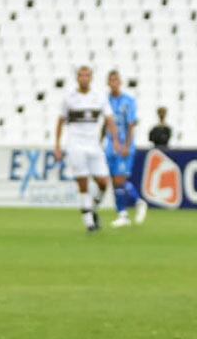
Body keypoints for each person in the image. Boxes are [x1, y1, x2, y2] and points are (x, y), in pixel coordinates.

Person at [54, 65, 118, 232]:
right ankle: (89, 222)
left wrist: (116, 140)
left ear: (91, 78)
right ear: (77, 78)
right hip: (75, 144)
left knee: (103, 183)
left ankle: (92, 208)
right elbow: (60, 121)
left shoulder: (99, 97)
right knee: (82, 182)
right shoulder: (69, 98)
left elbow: (110, 119)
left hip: (94, 144)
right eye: (81, 75)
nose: (84, 78)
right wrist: (57, 145)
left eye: (87, 75)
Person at [103, 71, 148, 228]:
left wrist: (127, 145)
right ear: (108, 83)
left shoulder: (128, 101)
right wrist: (100, 140)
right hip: (110, 146)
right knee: (115, 182)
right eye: (111, 80)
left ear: (120, 82)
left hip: (123, 145)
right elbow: (105, 123)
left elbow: (131, 124)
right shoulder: (106, 101)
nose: (114, 82)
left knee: (120, 180)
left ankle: (139, 202)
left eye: (116, 80)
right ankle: (122, 215)